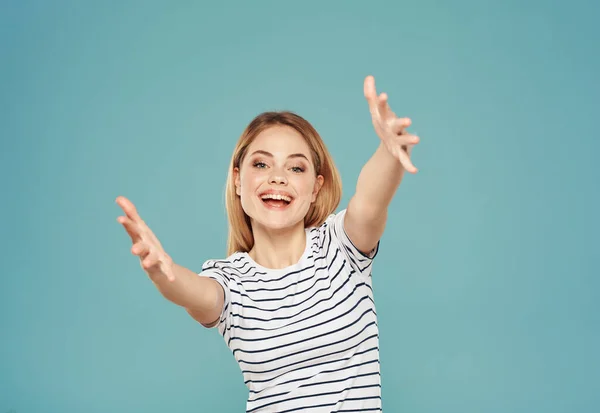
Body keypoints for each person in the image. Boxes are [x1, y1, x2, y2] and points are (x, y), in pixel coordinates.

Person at [116, 75, 419, 412]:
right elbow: (193, 292)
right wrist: (163, 272)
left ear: (316, 187)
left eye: (296, 167)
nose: (278, 177)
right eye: (261, 164)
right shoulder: (230, 281)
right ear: (237, 181)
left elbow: (370, 202)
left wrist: (389, 152)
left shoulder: (342, 247)